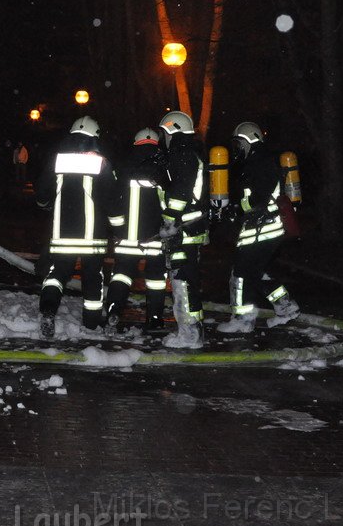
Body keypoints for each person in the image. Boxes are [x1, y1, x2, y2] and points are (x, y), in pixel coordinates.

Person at [34, 116, 123, 338]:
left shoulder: (57, 160)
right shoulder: (101, 163)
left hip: (62, 235)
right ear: (95, 138)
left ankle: (48, 310)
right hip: (93, 238)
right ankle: (91, 324)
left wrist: (48, 205)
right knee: (93, 278)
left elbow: (42, 195)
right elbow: (112, 200)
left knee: (56, 274)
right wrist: (119, 227)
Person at [217, 122, 300, 332]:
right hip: (263, 227)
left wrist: (236, 208)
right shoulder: (258, 161)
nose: (237, 149)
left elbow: (258, 198)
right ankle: (286, 307)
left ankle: (243, 320)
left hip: (263, 228)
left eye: (239, 144)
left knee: (241, 274)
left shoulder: (260, 162)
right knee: (257, 271)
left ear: (249, 140)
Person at [105, 127, 168, 334]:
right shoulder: (163, 166)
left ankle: (113, 311)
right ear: (157, 144)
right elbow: (169, 202)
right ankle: (156, 319)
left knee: (122, 275)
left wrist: (117, 229)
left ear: (135, 142)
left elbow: (113, 200)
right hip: (155, 237)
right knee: (156, 280)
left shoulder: (123, 165)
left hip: (126, 237)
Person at [157, 110, 208, 349]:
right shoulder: (188, 153)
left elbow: (180, 194)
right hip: (189, 227)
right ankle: (193, 330)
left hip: (183, 230)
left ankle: (190, 335)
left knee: (182, 281)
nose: (162, 138)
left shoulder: (183, 155)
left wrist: (169, 221)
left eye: (164, 133)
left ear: (172, 132)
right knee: (188, 280)